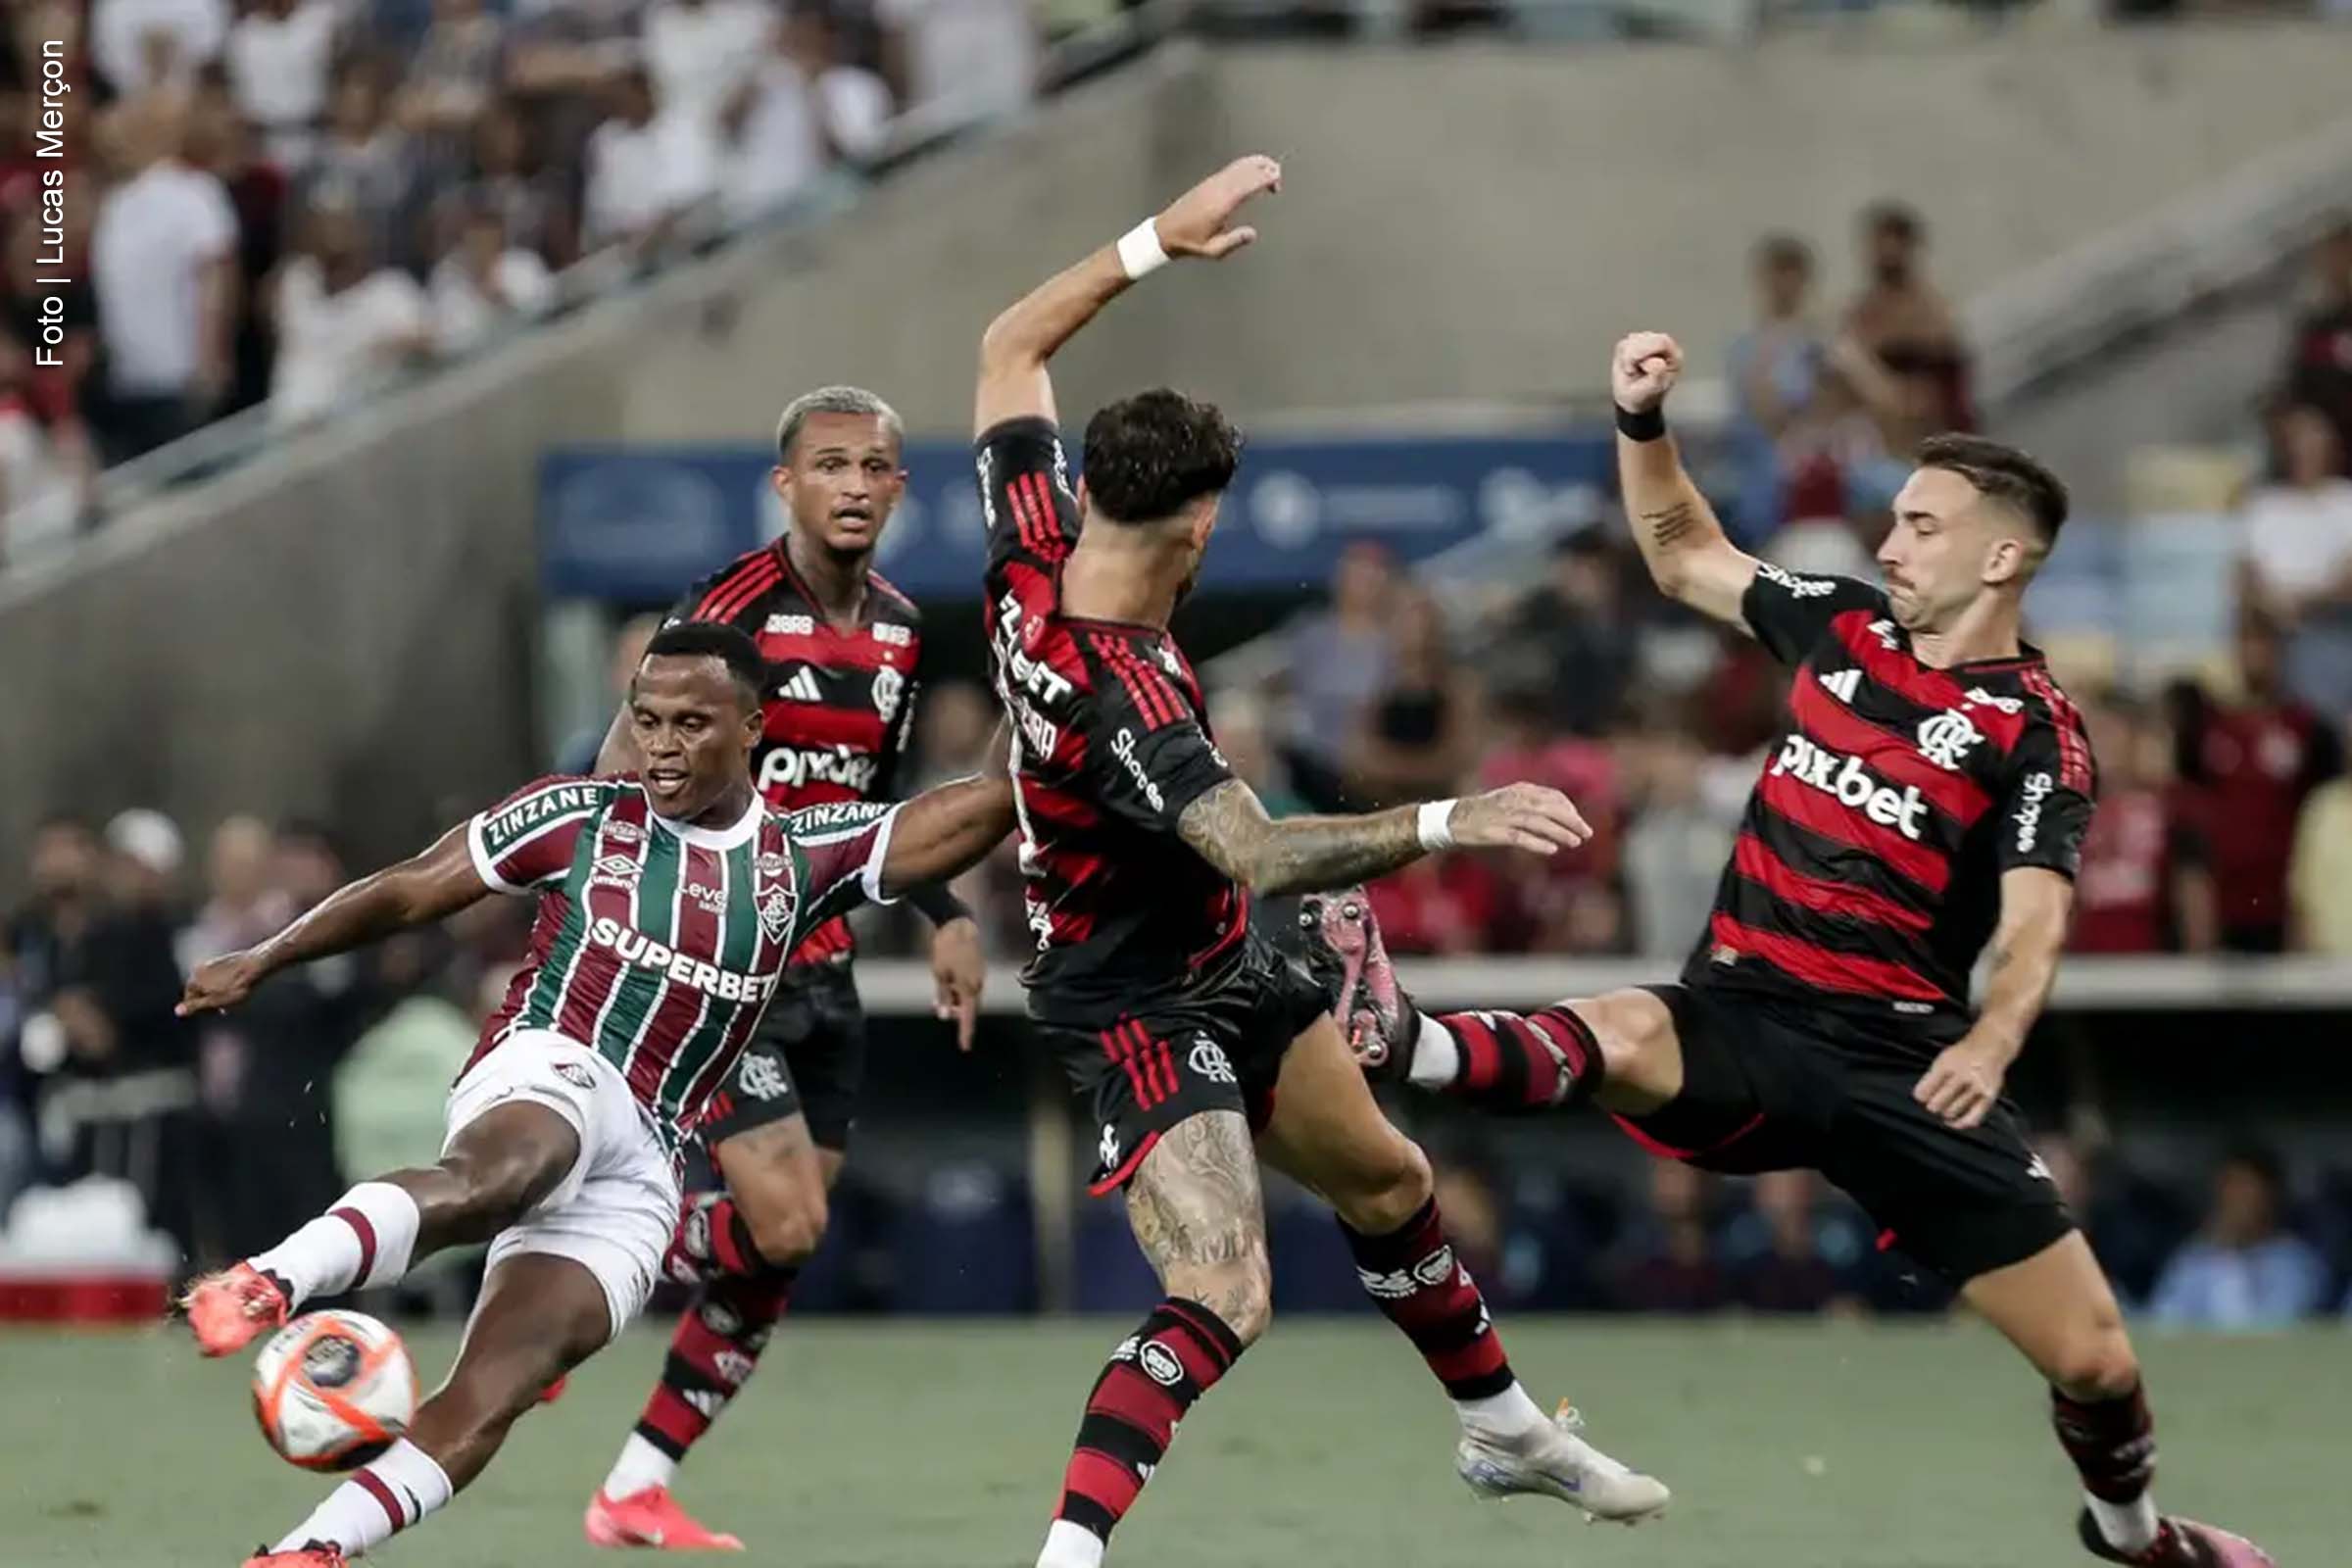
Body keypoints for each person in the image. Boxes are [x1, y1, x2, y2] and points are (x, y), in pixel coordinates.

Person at [1325, 332, 2274, 1567]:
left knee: (2096, 1358)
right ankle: (1403, 1039)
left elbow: (2038, 914)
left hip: (1906, 1065)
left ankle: (2135, 1535)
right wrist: (1641, 423)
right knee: (1622, 1025)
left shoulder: (2037, 732)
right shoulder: (1842, 625)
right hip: (1749, 1015)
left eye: (1920, 526)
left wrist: (1993, 1038)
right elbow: (1682, 553)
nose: (1888, 545)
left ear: (2001, 555)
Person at [972, 157, 1666, 1568]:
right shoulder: (1128, 692)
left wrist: (1150, 245)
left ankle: (1507, 1431)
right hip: (1134, 1003)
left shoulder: (1034, 547)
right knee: (1224, 1291)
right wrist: (1440, 822)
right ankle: (1065, 1559)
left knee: (1393, 1187)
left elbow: (1007, 344)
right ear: (1201, 527)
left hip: (1226, 962)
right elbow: (1254, 846)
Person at [176, 621, 1016, 1568]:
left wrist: (1039, 668)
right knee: (499, 1175)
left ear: (753, 729)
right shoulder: (581, 817)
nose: (663, 745)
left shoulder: (800, 858)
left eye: (692, 724)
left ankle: (308, 1553)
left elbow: (983, 807)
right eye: (647, 721)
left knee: (496, 1389)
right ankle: (265, 1281)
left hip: (649, 1163)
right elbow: (416, 887)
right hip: (555, 1062)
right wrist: (269, 954)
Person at [578, 387, 990, 1551]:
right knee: (789, 1221)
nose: (854, 485)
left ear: (901, 489)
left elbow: (880, 813)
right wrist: (635, 916)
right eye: (830, 466)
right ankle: (582, 1250)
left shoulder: (907, 630)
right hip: (721, 969)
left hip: (827, 970)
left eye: (875, 467)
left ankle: (634, 1485)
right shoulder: (728, 611)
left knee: (778, 1252)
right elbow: (621, 771)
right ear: (787, 485)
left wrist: (945, 909)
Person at [2147, 1144, 2327, 1330]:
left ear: (2269, 1195)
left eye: (2245, 1188)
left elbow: (2269, 1334)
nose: (2235, 1200)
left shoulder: (2295, 1262)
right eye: (2229, 1187)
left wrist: (2229, 1254)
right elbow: (2162, 1324)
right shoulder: (2193, 1259)